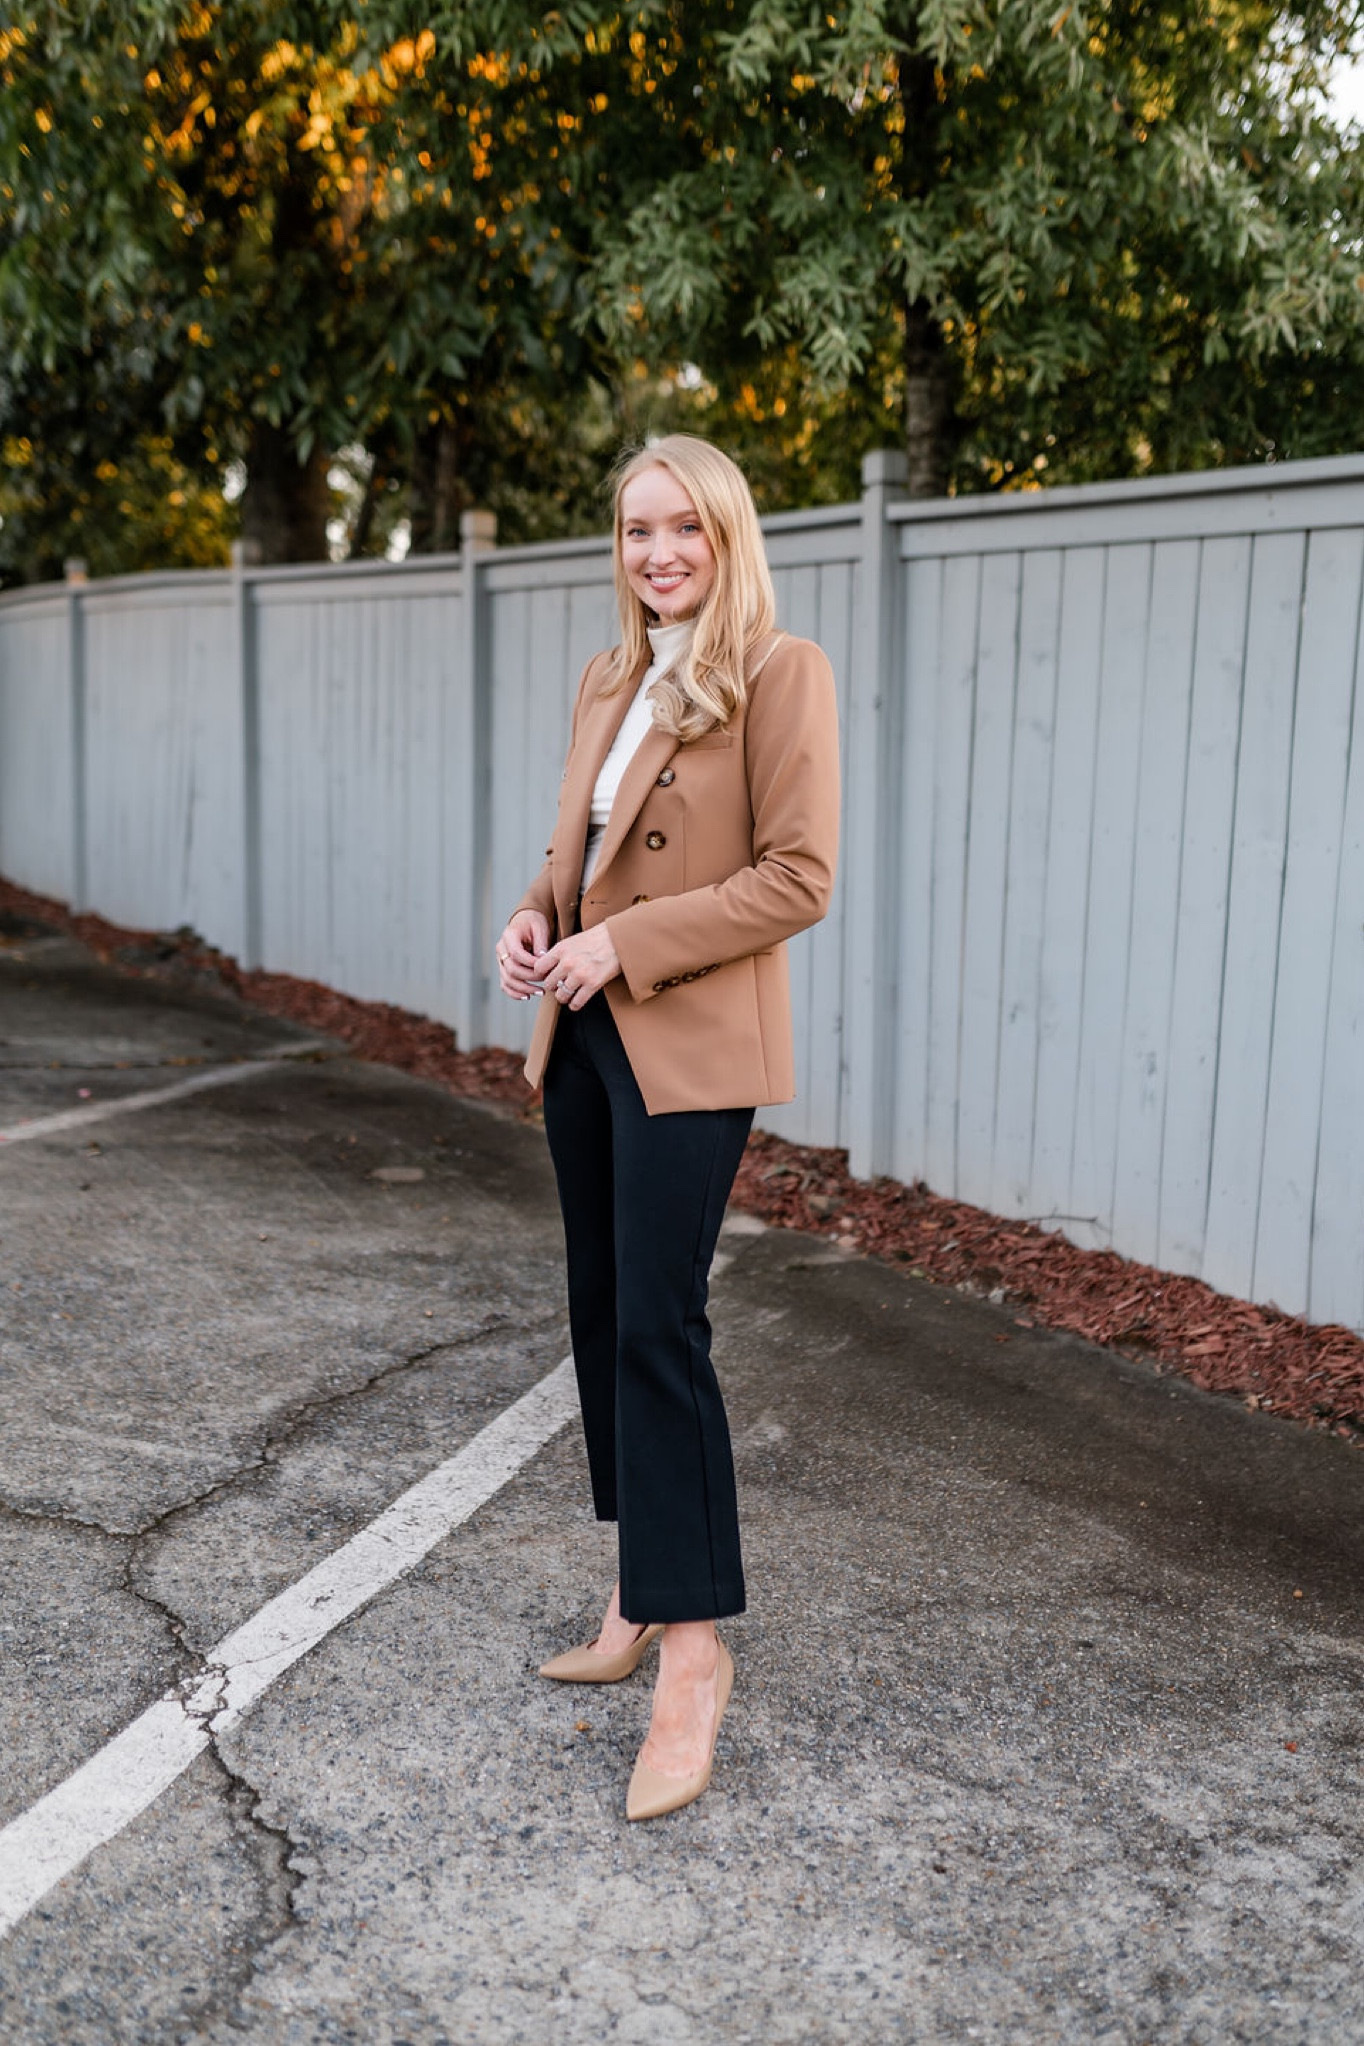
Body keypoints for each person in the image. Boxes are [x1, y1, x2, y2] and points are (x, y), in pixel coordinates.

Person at [494, 433, 839, 1820]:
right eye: (638, 530)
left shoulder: (776, 670)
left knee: (659, 1321)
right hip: (581, 1029)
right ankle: (638, 1583)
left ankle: (694, 1653)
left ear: (727, 533)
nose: (659, 553)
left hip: (689, 1040)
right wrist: (533, 911)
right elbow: (570, 841)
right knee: (598, 1306)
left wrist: (622, 941)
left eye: (683, 528)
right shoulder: (609, 672)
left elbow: (797, 876)